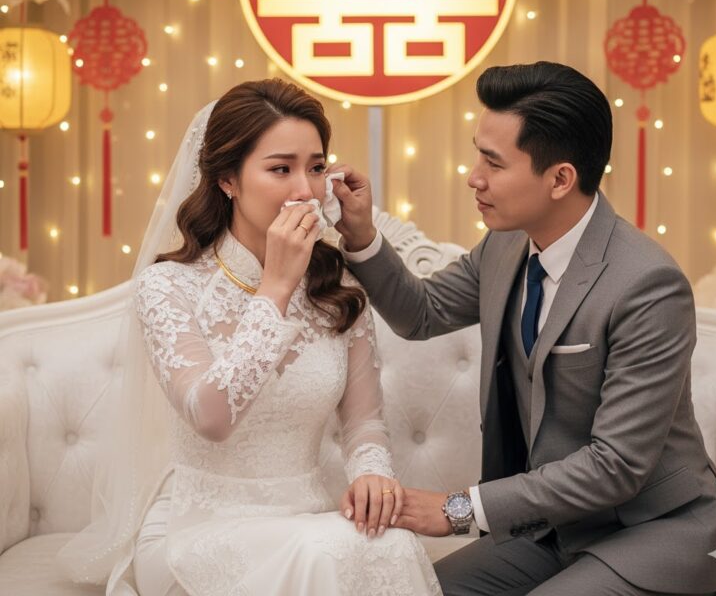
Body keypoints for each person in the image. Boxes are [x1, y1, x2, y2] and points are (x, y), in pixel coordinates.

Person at [331, 61, 716, 596]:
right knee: (417, 590)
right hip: (553, 527)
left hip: (657, 530)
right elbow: (422, 312)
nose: (473, 176)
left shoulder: (648, 284)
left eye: (493, 162)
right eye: (478, 154)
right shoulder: (506, 245)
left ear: (560, 179)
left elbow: (617, 465)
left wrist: (458, 510)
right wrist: (361, 235)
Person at [58, 79, 440, 596]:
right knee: (320, 554)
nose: (304, 190)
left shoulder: (339, 289)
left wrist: (372, 474)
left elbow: (363, 423)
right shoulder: (167, 286)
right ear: (227, 180)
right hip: (196, 530)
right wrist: (275, 288)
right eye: (281, 169)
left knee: (388, 544)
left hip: (304, 518)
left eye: (316, 168)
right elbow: (211, 417)